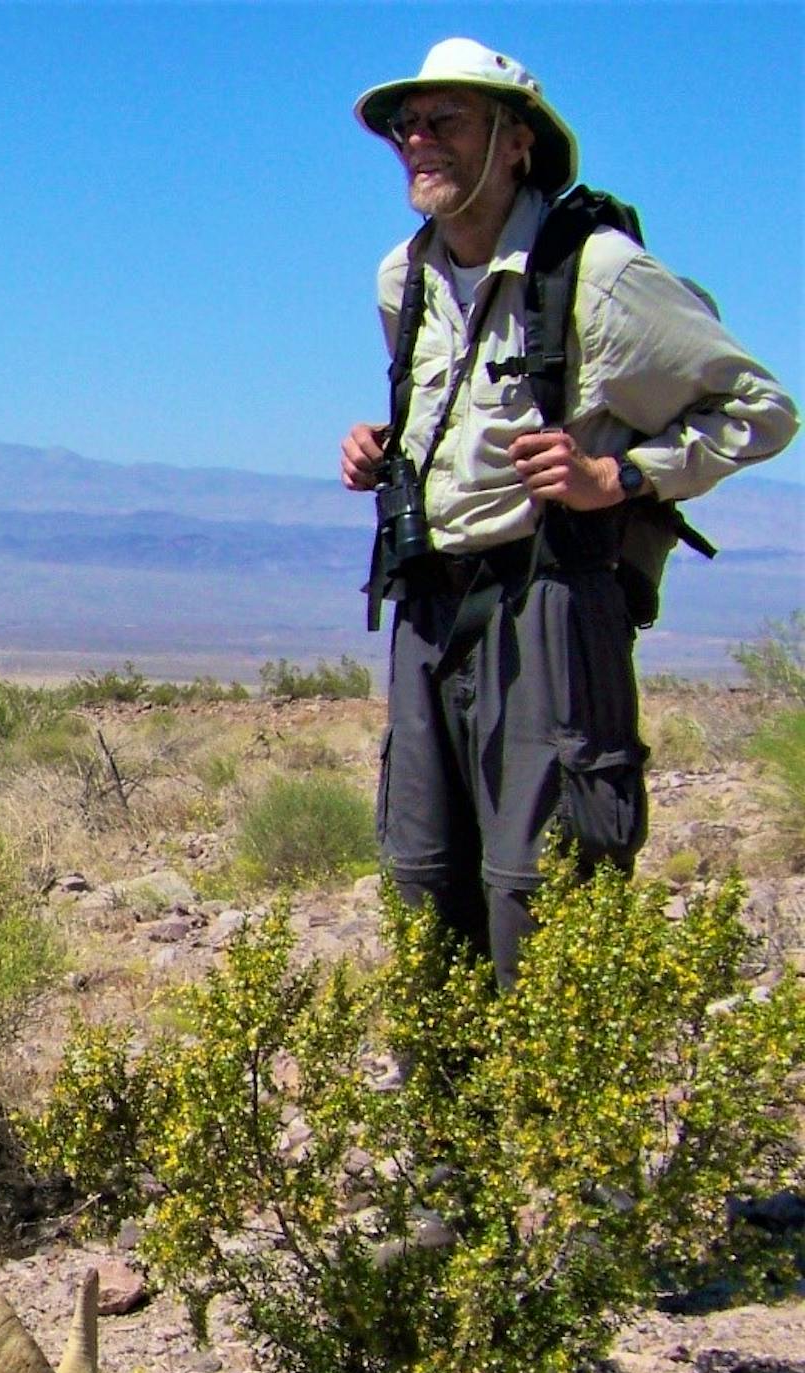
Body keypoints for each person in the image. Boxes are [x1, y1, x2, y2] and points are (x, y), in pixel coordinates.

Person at [339, 37, 796, 987]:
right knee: (424, 885)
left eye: (446, 120)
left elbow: (762, 410)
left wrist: (622, 479)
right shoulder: (404, 279)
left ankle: (555, 1133)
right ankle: (448, 1139)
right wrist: (384, 455)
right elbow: (445, 417)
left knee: (541, 892)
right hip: (429, 611)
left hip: (547, 606)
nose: (418, 138)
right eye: (405, 124)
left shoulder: (603, 276)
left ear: (516, 142)